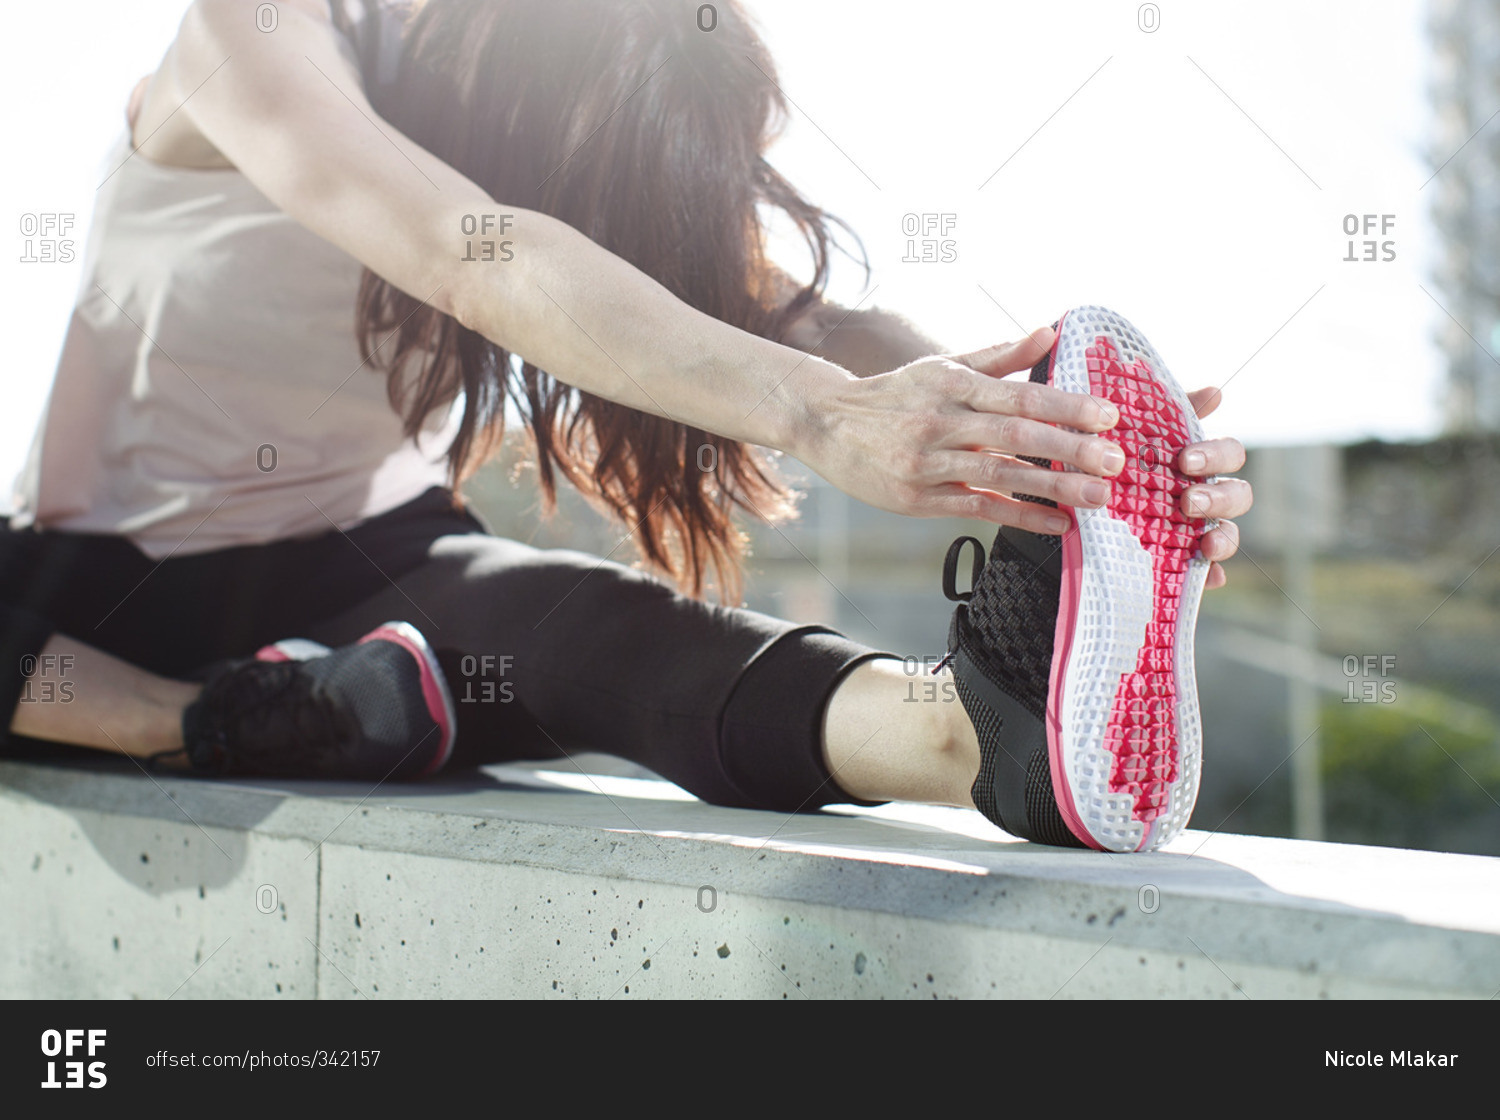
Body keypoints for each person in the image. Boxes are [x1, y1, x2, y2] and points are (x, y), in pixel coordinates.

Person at [1, 0, 1251, 851]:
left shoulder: (533, 108)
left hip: (367, 561)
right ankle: (208, 717)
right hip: (99, 580)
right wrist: (821, 419)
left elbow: (809, 322)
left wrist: (1033, 434)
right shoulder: (260, 30)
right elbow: (466, 254)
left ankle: (990, 737)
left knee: (595, 635)